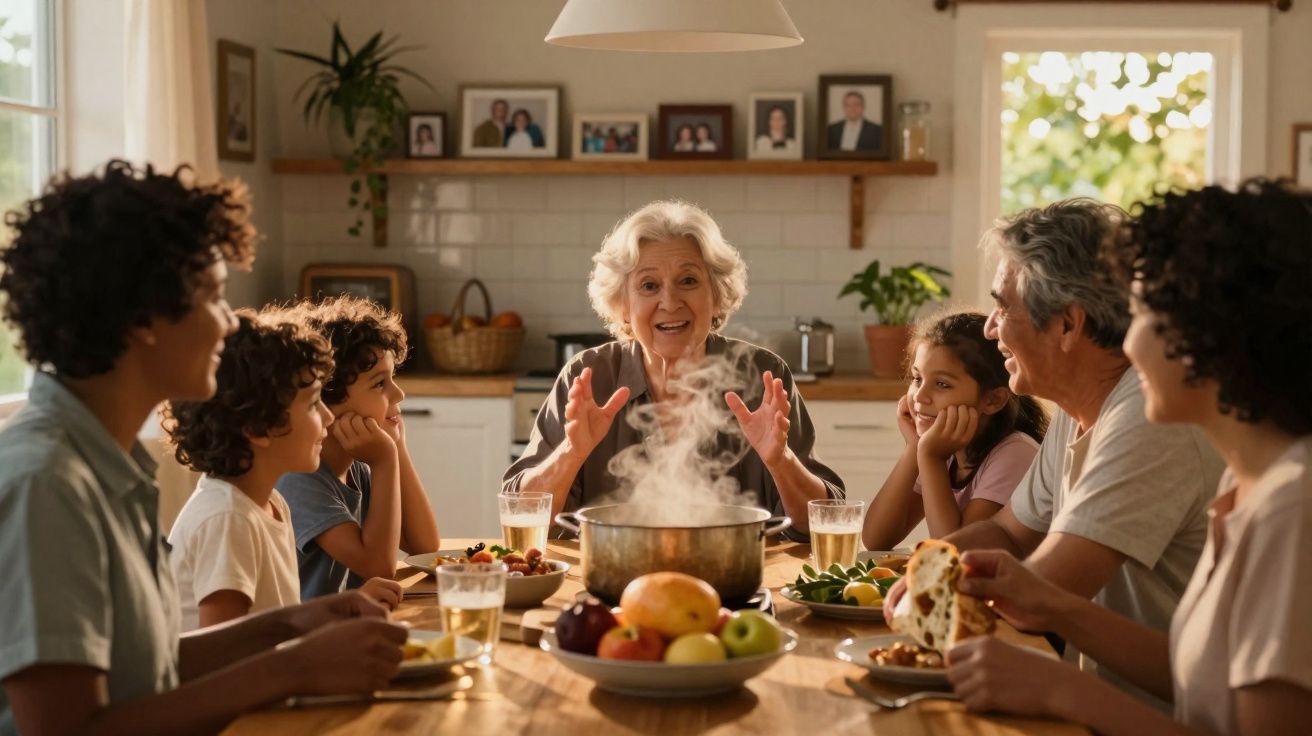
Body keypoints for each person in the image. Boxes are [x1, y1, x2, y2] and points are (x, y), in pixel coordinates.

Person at [0, 160, 406, 733]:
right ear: (146, 316)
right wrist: (288, 669)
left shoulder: (106, 465)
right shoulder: (47, 483)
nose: (225, 323)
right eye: (214, 297)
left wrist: (292, 625)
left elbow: (147, 672)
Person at [945, 179, 1312, 735]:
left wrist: (1060, 688)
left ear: (1204, 340)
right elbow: (1205, 678)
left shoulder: (1291, 512)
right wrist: (1045, 603)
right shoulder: (1252, 490)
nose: (1127, 344)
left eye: (1139, 315)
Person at [883, 198, 1223, 706]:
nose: (990, 327)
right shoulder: (1079, 406)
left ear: (1067, 324)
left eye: (1002, 307)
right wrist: (932, 563)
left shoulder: (1147, 418)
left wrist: (936, 585)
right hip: (1096, 703)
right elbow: (1009, 534)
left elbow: (1043, 588)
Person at [502, 200, 844, 539]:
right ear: (622, 306)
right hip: (612, 582)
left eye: (689, 281)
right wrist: (570, 454)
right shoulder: (588, 376)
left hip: (734, 581)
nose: (670, 302)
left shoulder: (763, 374)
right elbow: (521, 516)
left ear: (717, 296)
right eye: (649, 286)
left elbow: (823, 521)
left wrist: (781, 459)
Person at [164, 313, 402, 631]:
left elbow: (276, 628)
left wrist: (341, 608)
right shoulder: (228, 519)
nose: (329, 418)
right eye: (313, 404)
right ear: (260, 428)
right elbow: (226, 656)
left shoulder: (273, 503)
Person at [277, 296, 441, 599]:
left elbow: (425, 546)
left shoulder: (356, 468)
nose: (399, 393)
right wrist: (386, 460)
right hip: (313, 638)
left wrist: (398, 448)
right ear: (329, 401)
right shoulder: (299, 479)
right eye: (380, 384)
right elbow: (378, 567)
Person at [862, 311, 1047, 549]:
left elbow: (956, 555)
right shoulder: (946, 447)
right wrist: (914, 448)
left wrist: (930, 457)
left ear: (992, 400)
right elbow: (876, 540)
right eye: (917, 379)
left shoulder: (1015, 453)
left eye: (942, 384)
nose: (919, 396)